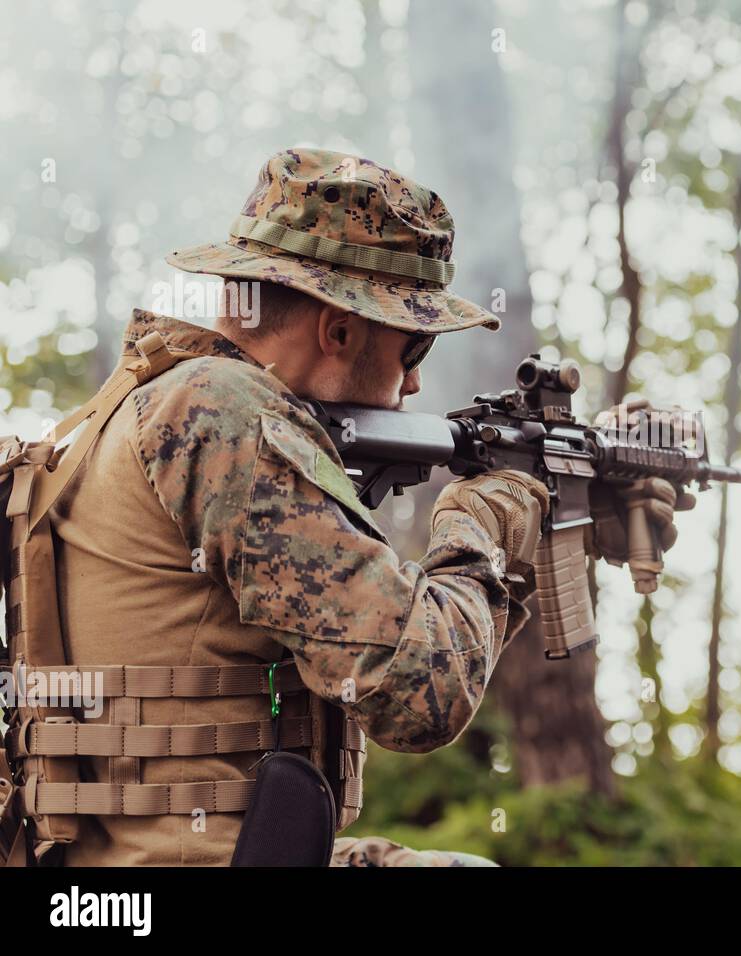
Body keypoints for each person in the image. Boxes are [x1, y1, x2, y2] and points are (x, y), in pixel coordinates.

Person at [0, 148, 686, 866]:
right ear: (339, 329)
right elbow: (420, 696)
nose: (416, 384)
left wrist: (540, 531)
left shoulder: (157, 400)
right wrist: (484, 522)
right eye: (414, 344)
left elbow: (428, 659)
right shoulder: (223, 411)